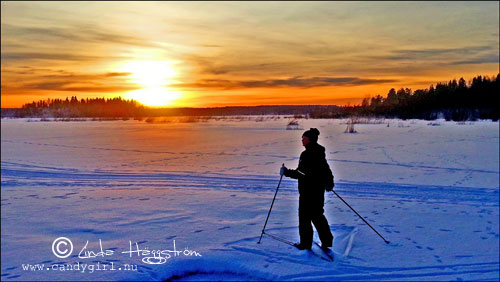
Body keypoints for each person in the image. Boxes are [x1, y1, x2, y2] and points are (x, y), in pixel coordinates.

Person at [280, 128, 334, 250]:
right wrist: (329, 183)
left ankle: (305, 244)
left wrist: (286, 172)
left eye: (303, 138)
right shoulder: (319, 152)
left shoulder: (307, 154)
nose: (302, 140)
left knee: (304, 218)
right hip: (318, 190)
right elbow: (326, 169)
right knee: (317, 215)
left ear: (309, 139)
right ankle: (327, 241)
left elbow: (301, 173)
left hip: (308, 191)